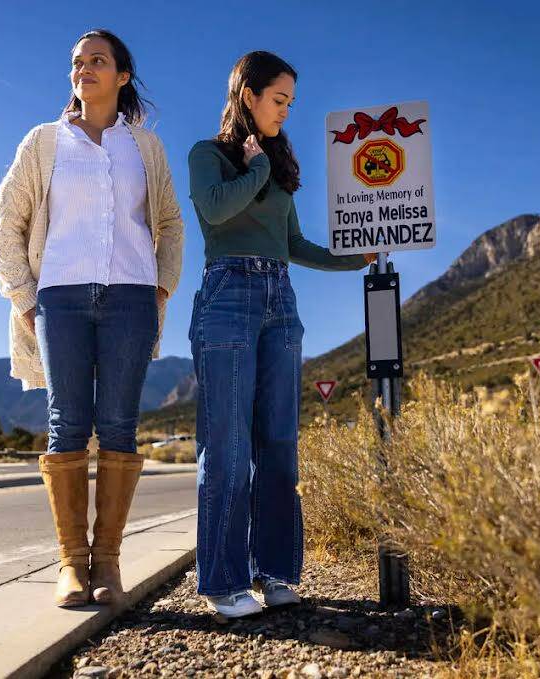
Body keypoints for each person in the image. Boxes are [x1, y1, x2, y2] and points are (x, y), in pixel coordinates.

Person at [0, 29, 184, 607]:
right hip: (60, 299)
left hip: (130, 298)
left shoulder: (144, 147)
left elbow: (169, 223)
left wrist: (161, 289)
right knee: (67, 424)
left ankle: (109, 564)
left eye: (97, 61)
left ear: (122, 76)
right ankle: (72, 565)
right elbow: (6, 226)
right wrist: (25, 297)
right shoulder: (44, 143)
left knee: (119, 426)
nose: (84, 69)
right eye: (77, 62)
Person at [187, 51, 374, 618]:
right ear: (248, 94)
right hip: (228, 295)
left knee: (279, 443)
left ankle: (276, 572)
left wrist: (354, 260)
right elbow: (217, 213)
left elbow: (293, 244)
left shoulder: (278, 166)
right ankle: (224, 582)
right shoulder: (210, 156)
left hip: (280, 299)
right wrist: (258, 169)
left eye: (291, 102)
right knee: (229, 447)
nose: (286, 111)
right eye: (278, 99)